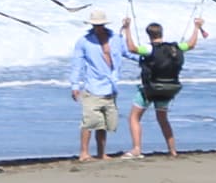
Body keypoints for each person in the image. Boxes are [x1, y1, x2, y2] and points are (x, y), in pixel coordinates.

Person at [126, 17, 207, 157]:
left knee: (134, 117)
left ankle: (137, 149)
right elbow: (191, 44)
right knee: (163, 119)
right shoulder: (176, 48)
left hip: (150, 89)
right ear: (161, 33)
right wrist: (196, 27)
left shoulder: (149, 48)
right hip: (169, 88)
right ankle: (172, 151)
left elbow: (132, 48)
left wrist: (127, 29)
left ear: (149, 35)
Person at [67, 19, 127, 166]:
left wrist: (148, 57)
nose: (98, 27)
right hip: (92, 87)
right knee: (89, 121)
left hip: (110, 87)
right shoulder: (84, 41)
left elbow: (127, 53)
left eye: (100, 25)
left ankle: (101, 153)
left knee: (104, 123)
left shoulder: (115, 39)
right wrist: (75, 85)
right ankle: (84, 153)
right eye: (95, 25)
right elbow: (77, 65)